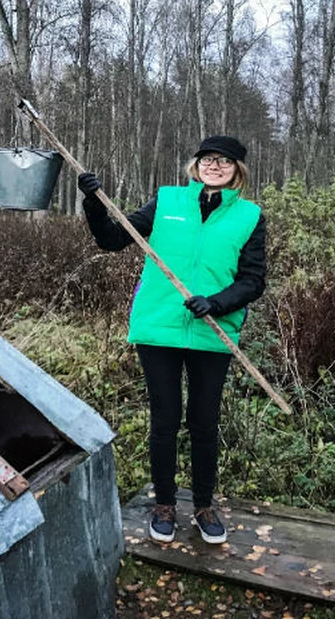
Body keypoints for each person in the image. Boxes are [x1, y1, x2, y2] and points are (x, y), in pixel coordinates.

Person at [77, 136, 266, 545]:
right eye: (208, 159)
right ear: (195, 165)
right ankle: (163, 504)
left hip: (213, 332)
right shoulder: (166, 201)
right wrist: (93, 203)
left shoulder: (249, 216)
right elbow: (112, 239)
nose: (215, 166)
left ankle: (202, 505)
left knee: (204, 422)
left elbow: (253, 280)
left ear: (238, 170)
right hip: (159, 328)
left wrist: (216, 303)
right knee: (164, 420)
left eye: (225, 161)